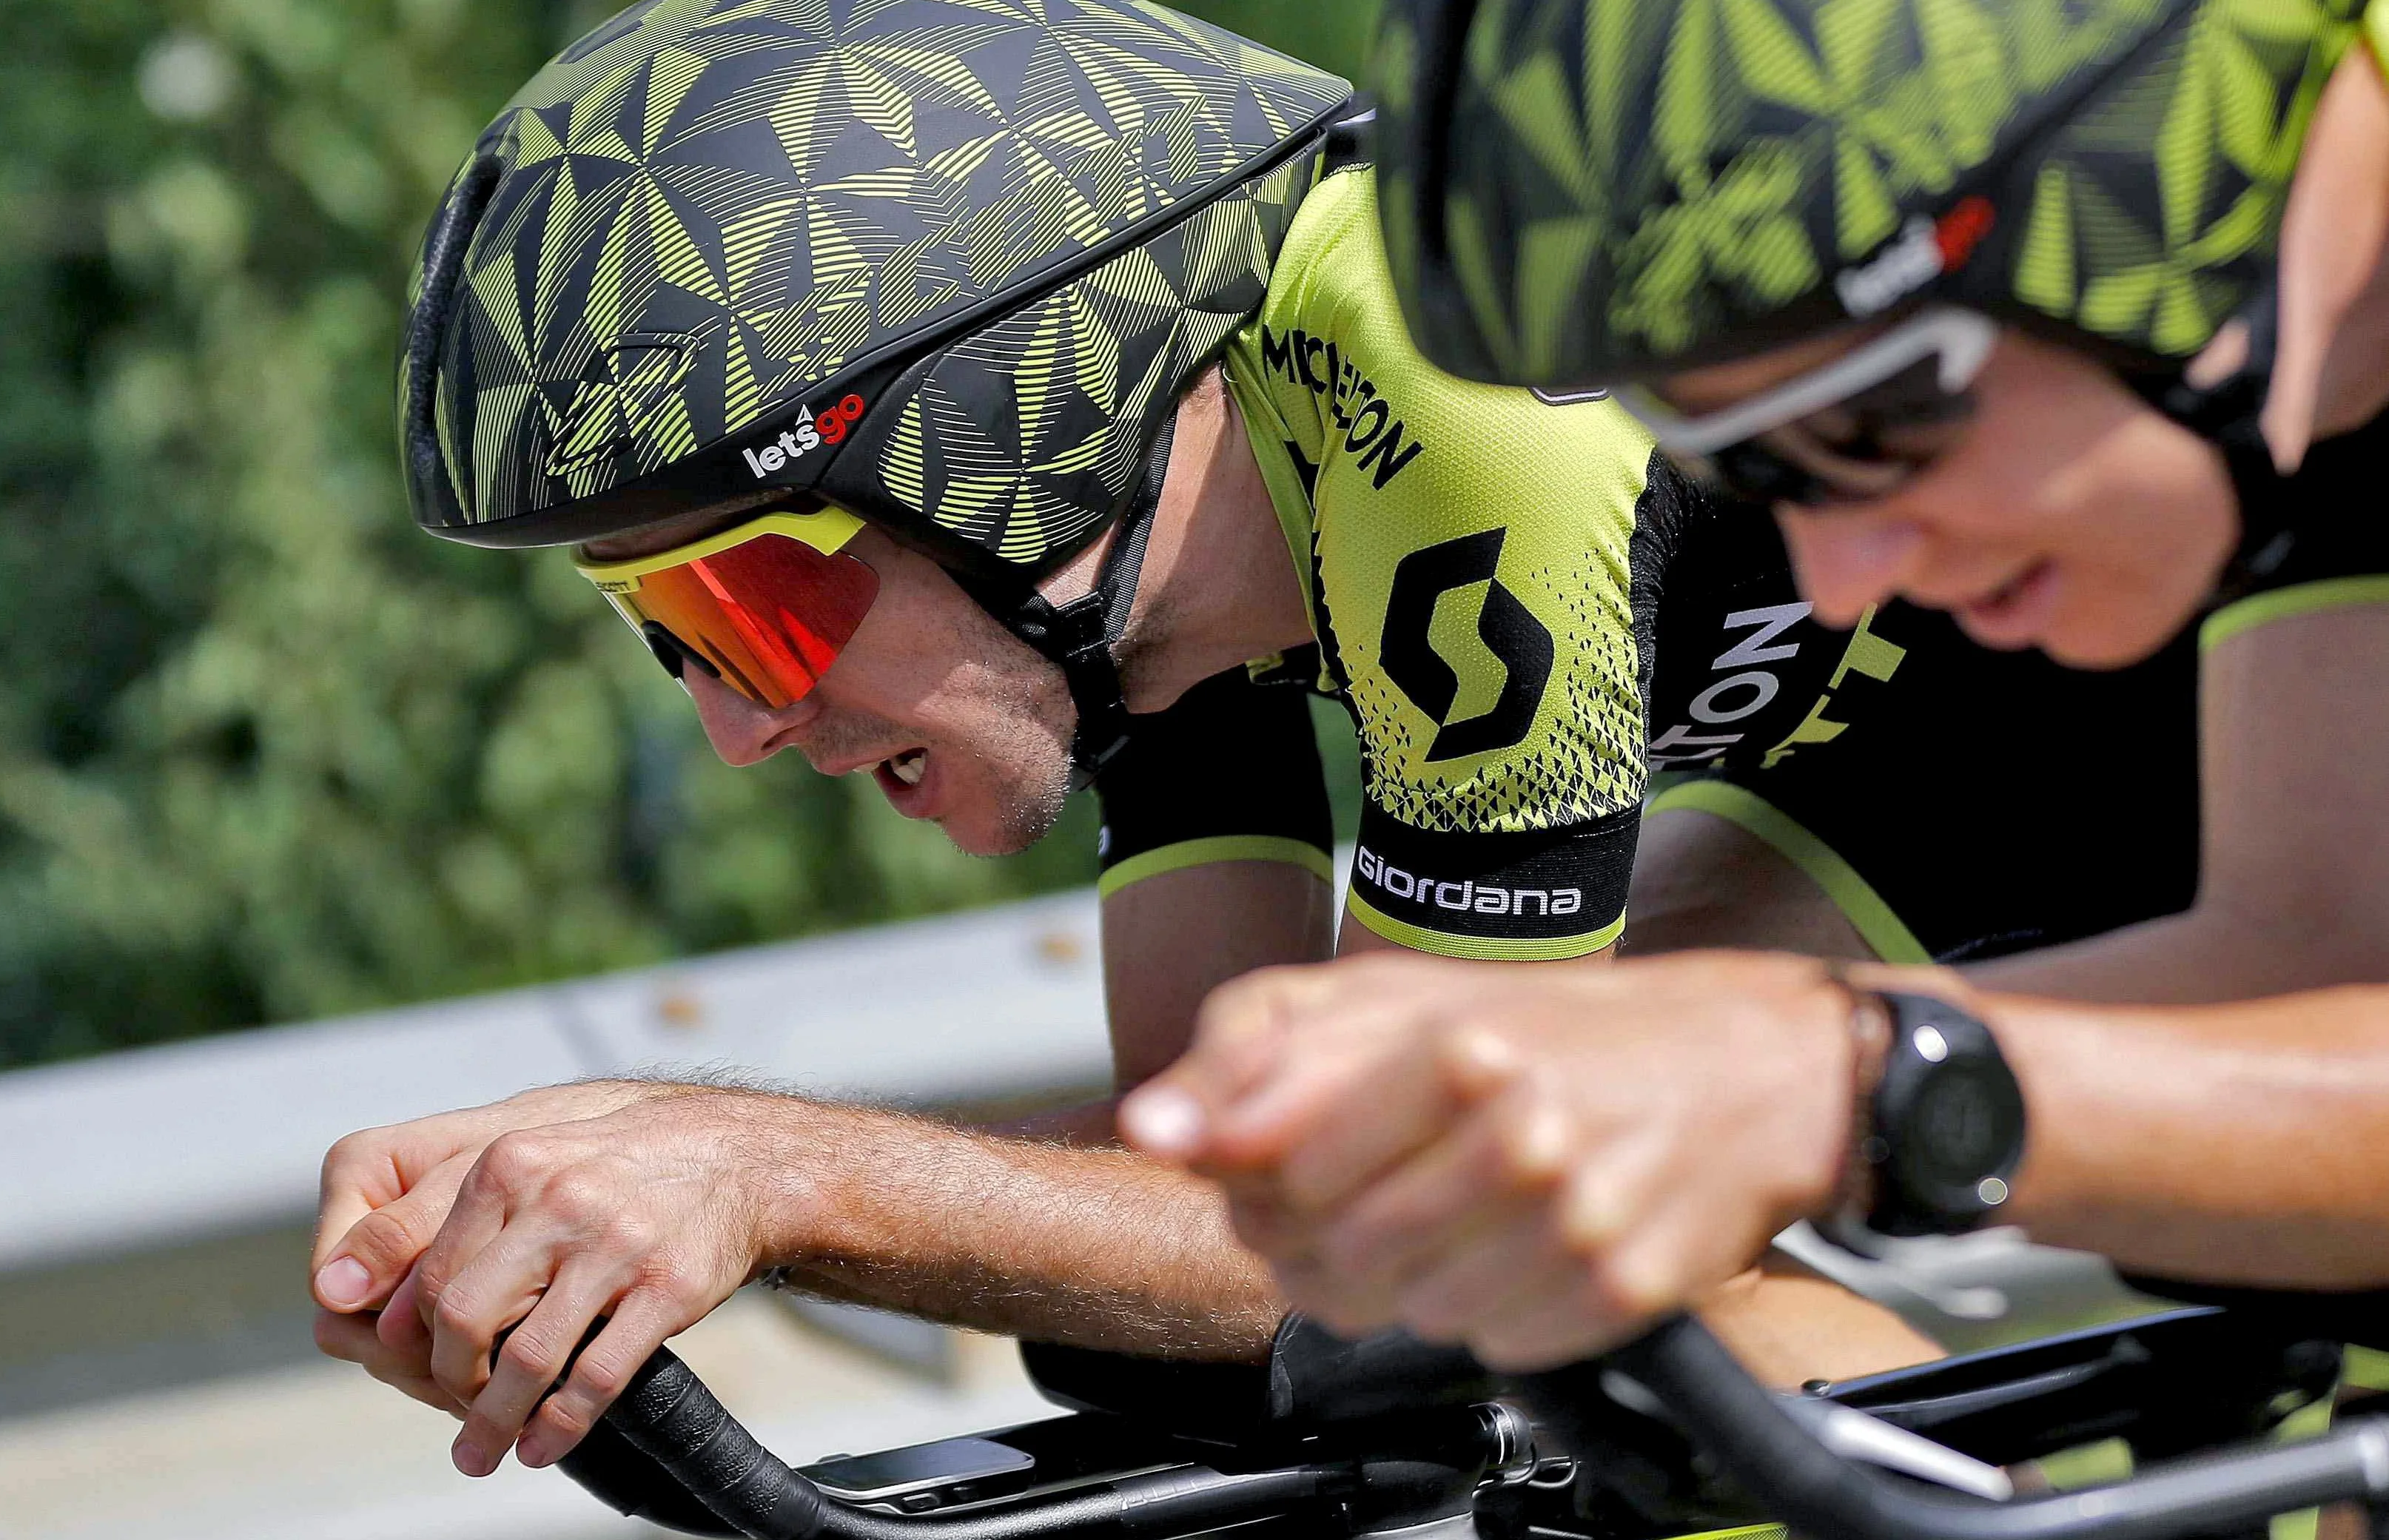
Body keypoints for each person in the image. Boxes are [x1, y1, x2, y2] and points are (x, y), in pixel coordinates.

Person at [316, 0, 2234, 1482]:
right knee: (1448, 1321)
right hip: (1954, 774)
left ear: (993, 429)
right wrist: (657, 1183)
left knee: (1496, 1248)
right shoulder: (1130, 595)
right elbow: (1210, 1217)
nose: (739, 730)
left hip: (2223, 715)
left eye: (748, 605)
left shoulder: (1439, 396)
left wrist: (760, 1174)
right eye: (666, 638)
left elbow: (1355, 1234)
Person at [1125, 0, 2389, 1369]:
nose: (1839, 579)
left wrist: (1829, 1075)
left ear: (2154, 168)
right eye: (1754, 469)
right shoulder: (2302, 333)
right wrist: (1721, 1051)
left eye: (1870, 423)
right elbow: (2319, 973)